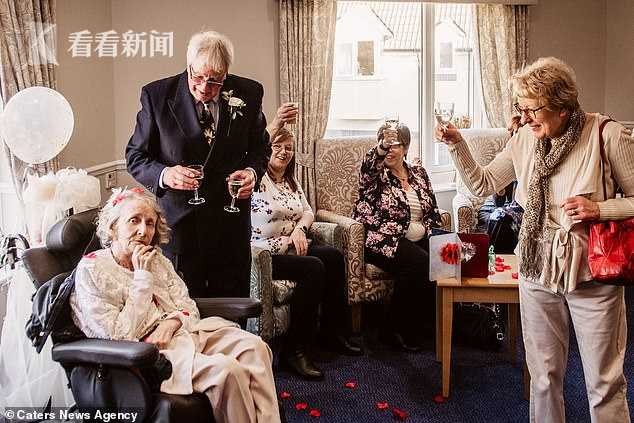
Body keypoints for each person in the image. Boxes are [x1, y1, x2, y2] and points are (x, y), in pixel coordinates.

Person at [435, 57, 634, 423]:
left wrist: (599, 209)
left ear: (562, 106)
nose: (524, 117)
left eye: (532, 109)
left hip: (591, 273)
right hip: (536, 268)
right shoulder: (524, 139)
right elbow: (482, 183)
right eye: (521, 108)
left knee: (603, 383)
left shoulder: (606, 134)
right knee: (542, 379)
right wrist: (457, 145)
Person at [70, 188, 280, 423]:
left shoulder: (157, 260)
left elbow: (188, 306)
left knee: (255, 347)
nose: (143, 231)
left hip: (186, 334)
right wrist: (142, 277)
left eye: (150, 223)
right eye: (134, 221)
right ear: (113, 227)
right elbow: (118, 335)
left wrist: (172, 322)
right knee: (227, 371)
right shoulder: (92, 270)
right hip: (151, 354)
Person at [126, 30, 270, 298]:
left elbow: (261, 147)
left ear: (226, 73)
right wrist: (165, 174)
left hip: (230, 229)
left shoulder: (249, 93)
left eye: (215, 81)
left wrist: (252, 172)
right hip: (181, 231)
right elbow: (135, 156)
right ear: (189, 65)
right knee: (183, 311)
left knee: (232, 311)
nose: (205, 87)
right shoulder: (157, 96)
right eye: (198, 77)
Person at [251, 125, 363, 380]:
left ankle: (332, 334)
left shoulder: (290, 181)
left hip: (293, 247)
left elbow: (308, 211)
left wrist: (300, 230)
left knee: (334, 257)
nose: (283, 152)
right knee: (314, 268)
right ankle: (294, 350)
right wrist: (290, 238)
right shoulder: (257, 179)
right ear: (266, 149)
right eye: (277, 146)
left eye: (288, 148)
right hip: (265, 254)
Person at [353, 122, 443, 352]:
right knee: (419, 262)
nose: (389, 149)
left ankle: (433, 323)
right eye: (385, 144)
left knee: (443, 259)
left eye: (395, 145)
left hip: (417, 237)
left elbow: (432, 211)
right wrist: (382, 147)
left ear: (406, 148)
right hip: (382, 239)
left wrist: (437, 238)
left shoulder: (419, 174)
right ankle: (392, 329)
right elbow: (369, 166)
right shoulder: (375, 175)